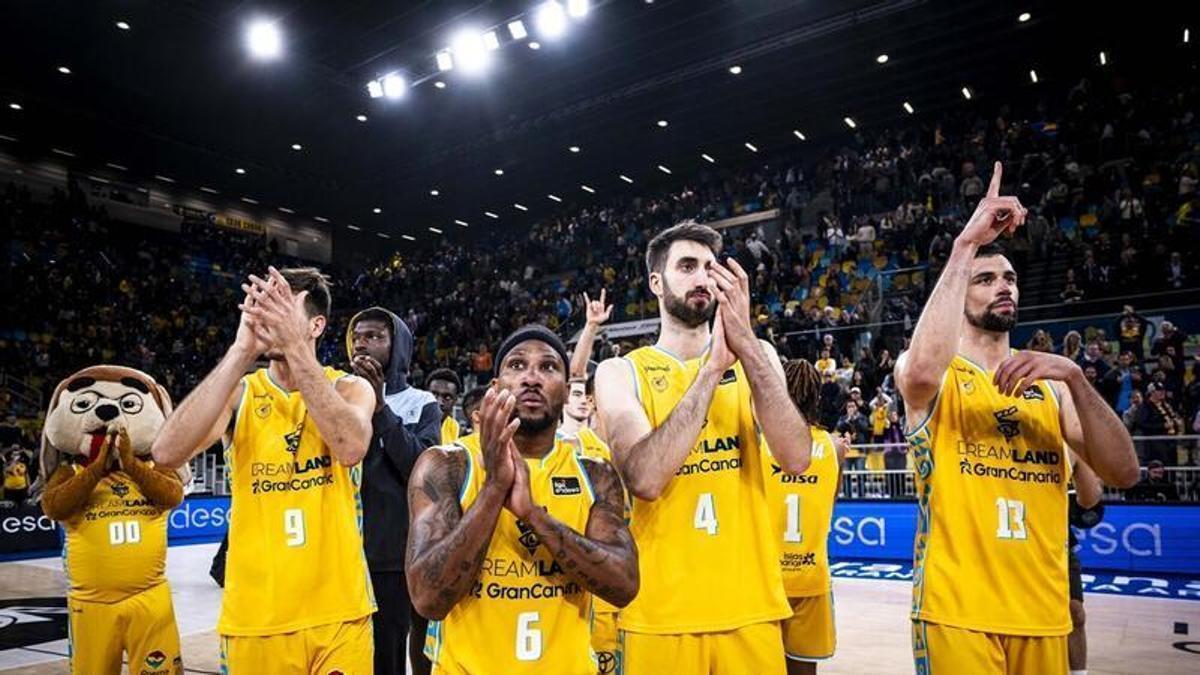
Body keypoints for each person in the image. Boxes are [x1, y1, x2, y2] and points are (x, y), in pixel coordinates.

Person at [895, 163, 1138, 674]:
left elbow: (1124, 472)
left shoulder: (1052, 382)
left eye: (1009, 277)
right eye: (985, 279)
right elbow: (918, 372)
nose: (1003, 285)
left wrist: (1074, 376)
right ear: (960, 292)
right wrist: (964, 248)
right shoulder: (937, 374)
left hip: (1043, 612)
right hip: (957, 610)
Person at [595, 221, 811, 674]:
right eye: (687, 266)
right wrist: (711, 371)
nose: (701, 278)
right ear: (657, 281)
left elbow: (796, 457)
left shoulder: (760, 357)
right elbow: (646, 479)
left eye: (709, 267)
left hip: (752, 608)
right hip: (658, 613)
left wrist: (745, 344)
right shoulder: (621, 372)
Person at [152, 267, 377, 673]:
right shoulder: (240, 394)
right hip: (255, 618)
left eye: (281, 309)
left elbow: (349, 447)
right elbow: (166, 452)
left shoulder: (349, 388)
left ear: (316, 324)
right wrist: (241, 350)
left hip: (339, 614)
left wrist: (294, 348)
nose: (269, 318)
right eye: (262, 307)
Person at [406, 326, 639, 674]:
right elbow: (427, 598)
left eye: (548, 367)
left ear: (566, 388)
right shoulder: (448, 464)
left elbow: (623, 585)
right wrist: (494, 489)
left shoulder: (595, 472)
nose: (531, 377)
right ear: (496, 387)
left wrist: (533, 514)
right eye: (516, 365)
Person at [346, 306, 442, 675]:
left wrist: (381, 407)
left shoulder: (422, 403)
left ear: (398, 345)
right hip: (342, 547)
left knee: (387, 654)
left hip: (390, 553)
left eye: (374, 336)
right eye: (357, 337)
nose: (362, 344)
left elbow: (421, 466)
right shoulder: (339, 392)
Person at [767, 359, 847, 673]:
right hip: (812, 576)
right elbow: (831, 503)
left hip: (767, 578)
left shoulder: (762, 442)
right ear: (816, 396)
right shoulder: (834, 448)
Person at [1068, 456, 1103, 675]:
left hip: (1058, 546)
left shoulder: (1068, 453)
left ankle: (1079, 673)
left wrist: (1086, 475)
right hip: (1011, 546)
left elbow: (1088, 511)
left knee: (1076, 612)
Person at [427, 368, 464, 444]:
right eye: (434, 395)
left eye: (447, 397)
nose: (439, 402)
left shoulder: (455, 428)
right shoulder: (411, 425)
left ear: (455, 400)